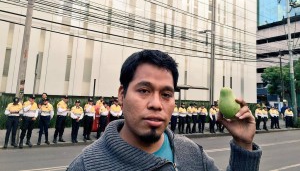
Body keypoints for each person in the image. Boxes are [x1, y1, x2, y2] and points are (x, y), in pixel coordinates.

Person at [67, 49, 261, 171]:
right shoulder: (86, 165)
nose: (156, 104)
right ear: (121, 94)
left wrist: (243, 145)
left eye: (166, 94)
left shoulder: (191, 152)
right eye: (144, 90)